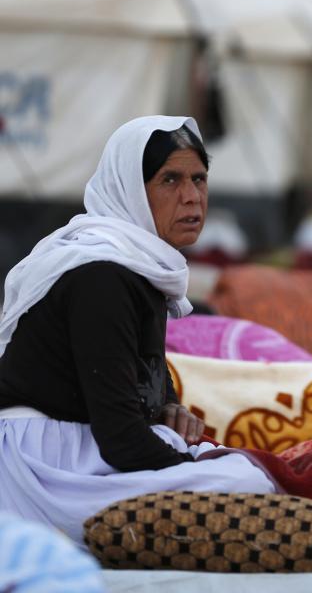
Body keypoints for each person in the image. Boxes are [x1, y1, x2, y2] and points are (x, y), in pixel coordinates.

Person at [0, 116, 275, 545]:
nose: (191, 197)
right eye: (170, 180)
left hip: (81, 448)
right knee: (245, 482)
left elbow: (141, 388)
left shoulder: (141, 267)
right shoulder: (101, 277)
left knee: (239, 472)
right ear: (130, 188)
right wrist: (192, 467)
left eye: (199, 179)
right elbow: (121, 441)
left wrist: (167, 408)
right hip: (41, 466)